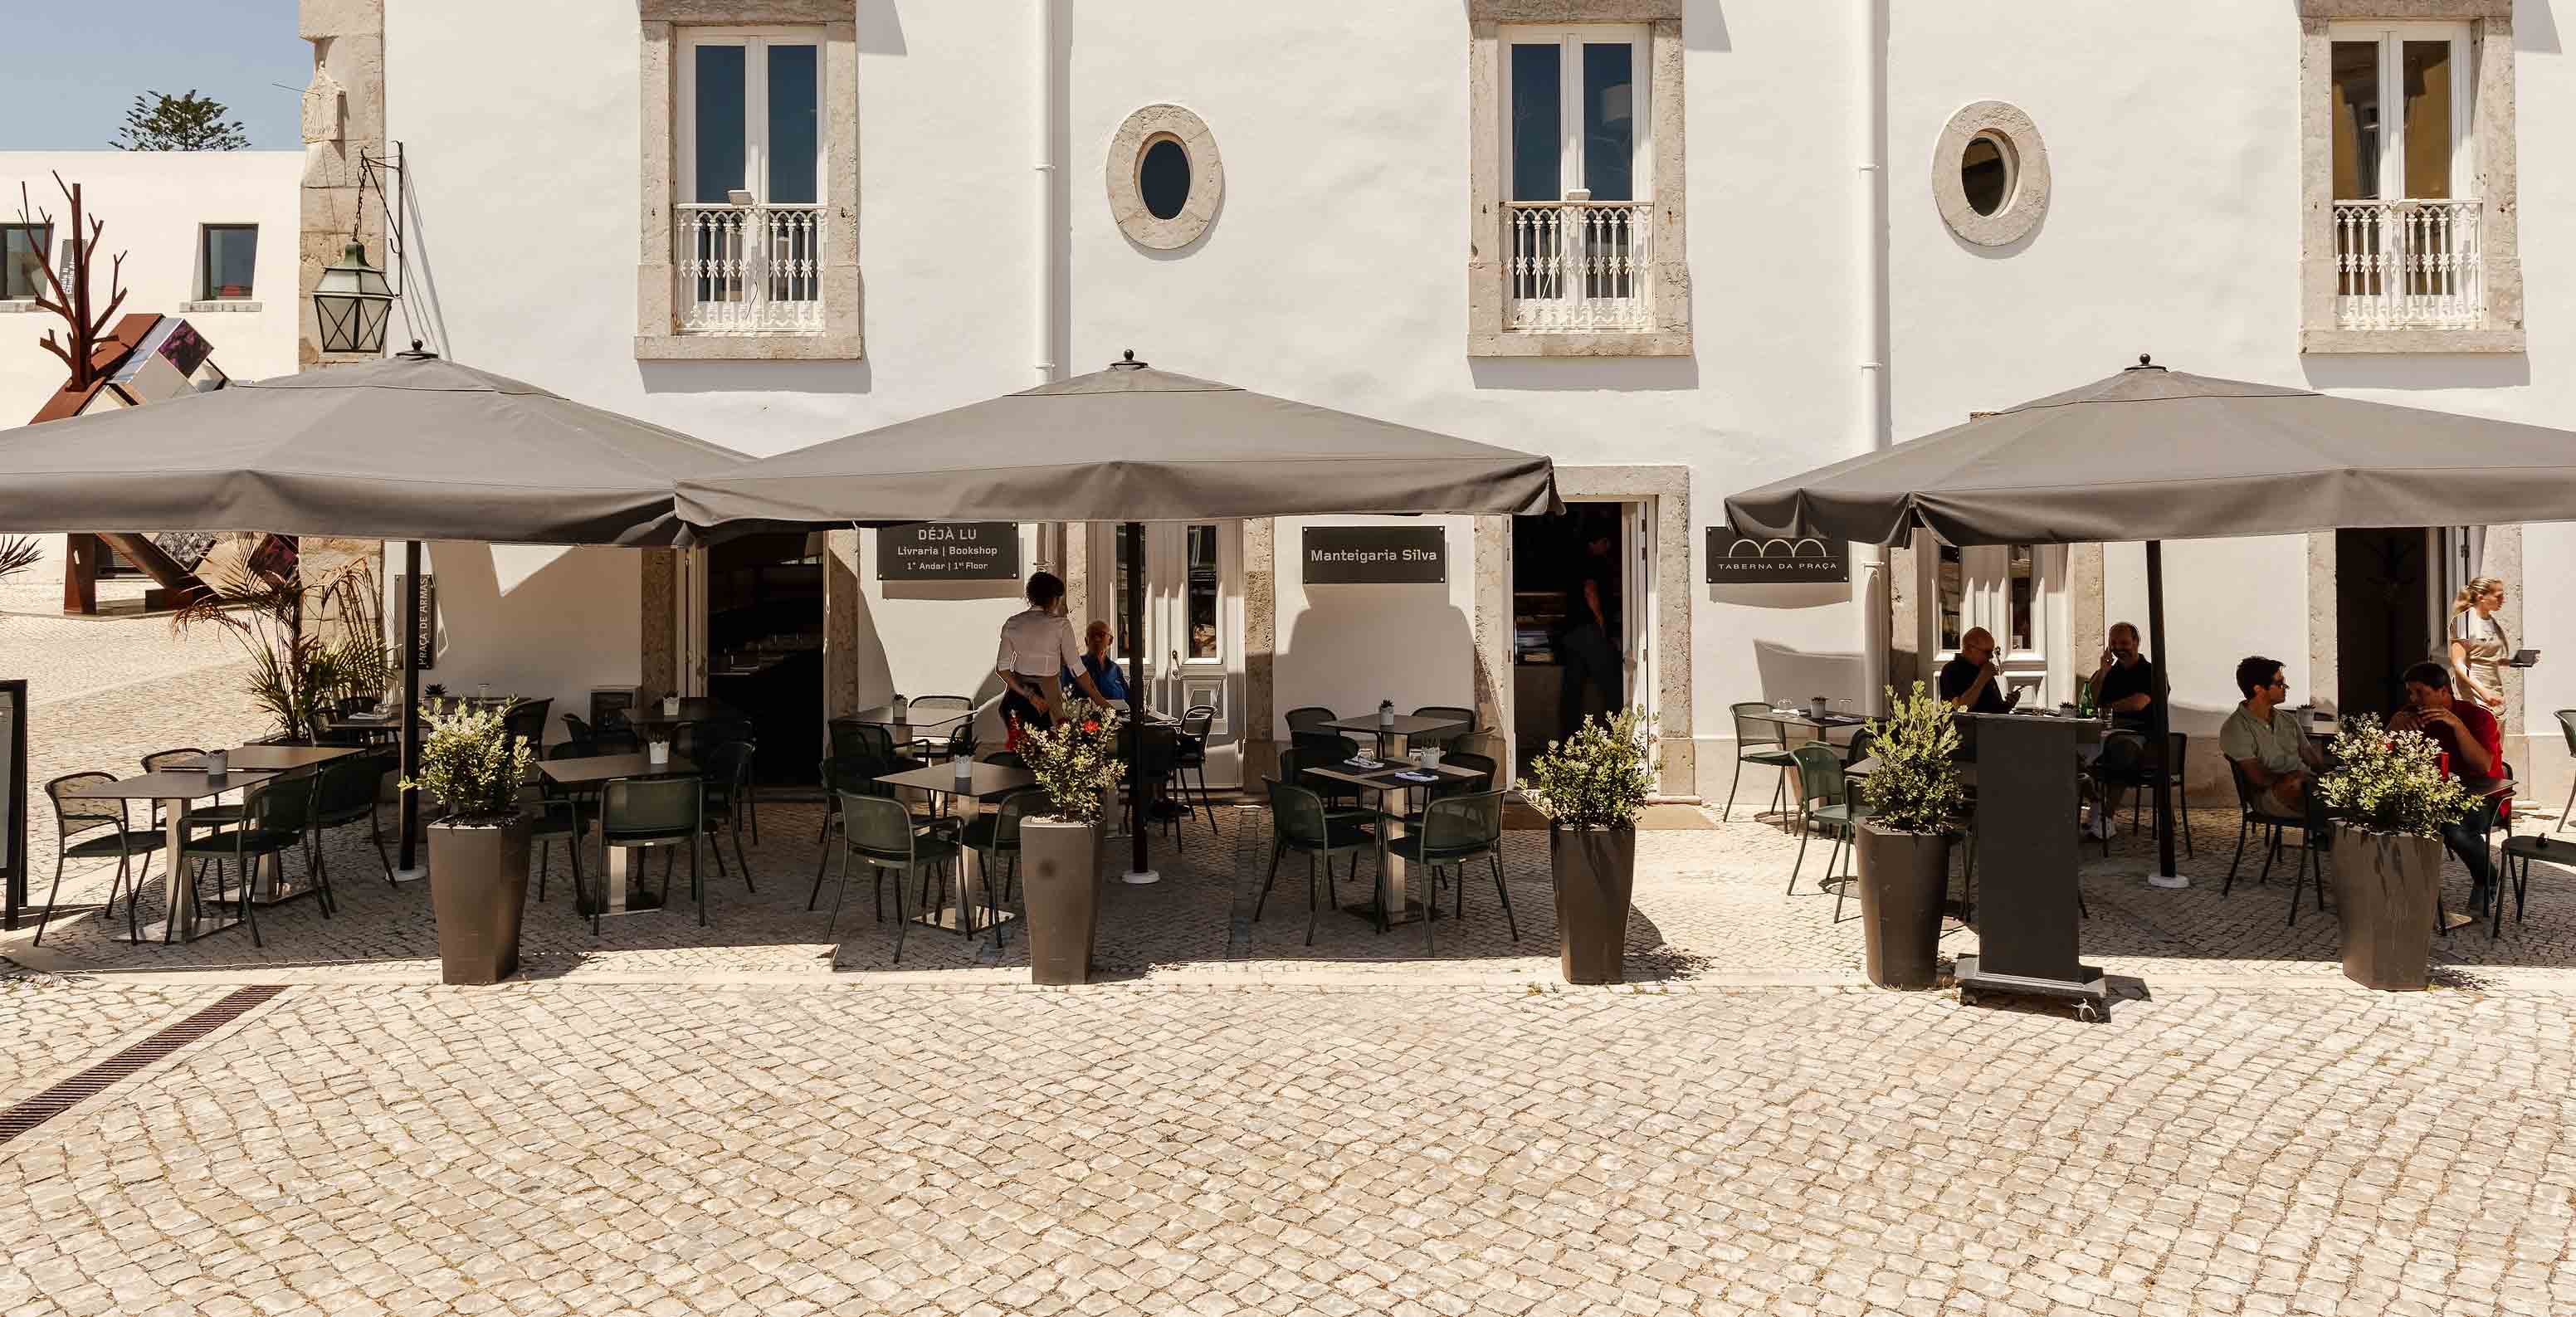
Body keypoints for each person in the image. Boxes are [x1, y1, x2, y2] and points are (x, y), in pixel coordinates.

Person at [2390, 660, 2507, 915]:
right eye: (2410, 692)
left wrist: (2457, 725)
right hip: (2434, 794)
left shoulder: (2478, 717)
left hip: (2484, 796)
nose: (2413, 699)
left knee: (2455, 828)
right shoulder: (2412, 714)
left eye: (2420, 692)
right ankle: (2402, 889)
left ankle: (2486, 877)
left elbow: (2483, 765)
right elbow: (2385, 757)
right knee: (2388, 817)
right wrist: (2392, 729)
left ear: (2443, 691)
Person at [995, 571, 1110, 736]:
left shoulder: (1012, 623)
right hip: (1048, 698)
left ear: (1031, 596)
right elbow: (1077, 670)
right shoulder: (1060, 625)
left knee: (1021, 747)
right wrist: (1102, 703)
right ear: (1054, 599)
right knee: (1051, 746)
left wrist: (1030, 695)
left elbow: (1002, 669)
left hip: (1017, 698)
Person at [2082, 622, 2167, 840]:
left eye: (2124, 643)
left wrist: (2107, 707)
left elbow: (2138, 703)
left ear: (2136, 642)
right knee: (2069, 752)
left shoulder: (2151, 672)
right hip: (2105, 733)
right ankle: (2096, 801)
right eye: (2113, 643)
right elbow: (2090, 699)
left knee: (2122, 752)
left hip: (2141, 737)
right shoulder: (2110, 672)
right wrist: (2102, 673)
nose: (2118, 648)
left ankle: (2107, 818)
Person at [2220, 656, 2322, 822]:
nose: (2286, 687)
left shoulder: (2288, 720)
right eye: (2280, 683)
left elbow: (2311, 758)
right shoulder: (2235, 728)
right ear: (2259, 689)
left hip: (2306, 785)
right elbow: (2260, 778)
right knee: (2296, 785)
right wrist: (2295, 777)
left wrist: (2332, 777)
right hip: (2270, 795)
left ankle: (2331, 820)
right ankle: (2329, 820)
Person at [1554, 526, 1624, 741]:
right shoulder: (1593, 562)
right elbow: (1590, 591)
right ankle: (1616, 736)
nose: (1608, 547)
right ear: (1595, 543)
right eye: (1605, 542)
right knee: (1611, 685)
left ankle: (1569, 741)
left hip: (1572, 632)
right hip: (1589, 630)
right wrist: (1601, 621)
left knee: (1573, 689)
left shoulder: (1573, 561)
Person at [2447, 575, 2510, 719]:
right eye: (2498, 596)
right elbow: (2458, 663)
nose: (2503, 600)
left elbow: (2486, 657)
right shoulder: (2464, 622)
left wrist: (2515, 661)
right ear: (2482, 598)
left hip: (2494, 693)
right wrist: (2483, 692)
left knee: (2496, 733)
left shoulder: (2491, 621)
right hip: (2473, 696)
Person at [1939, 627, 2022, 715]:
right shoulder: (1951, 670)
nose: (1991, 656)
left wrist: (2008, 705)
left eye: (1992, 652)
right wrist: (1982, 678)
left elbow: (1994, 710)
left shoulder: (1982, 668)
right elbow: (1960, 709)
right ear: (1970, 649)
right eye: (1987, 652)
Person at [1066, 620, 1130, 705]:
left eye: (1101, 635)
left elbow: (1128, 699)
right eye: (1092, 635)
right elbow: (1066, 699)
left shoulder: (1116, 670)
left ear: (1110, 640)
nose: (1097, 639)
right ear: (1086, 641)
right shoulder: (1075, 666)